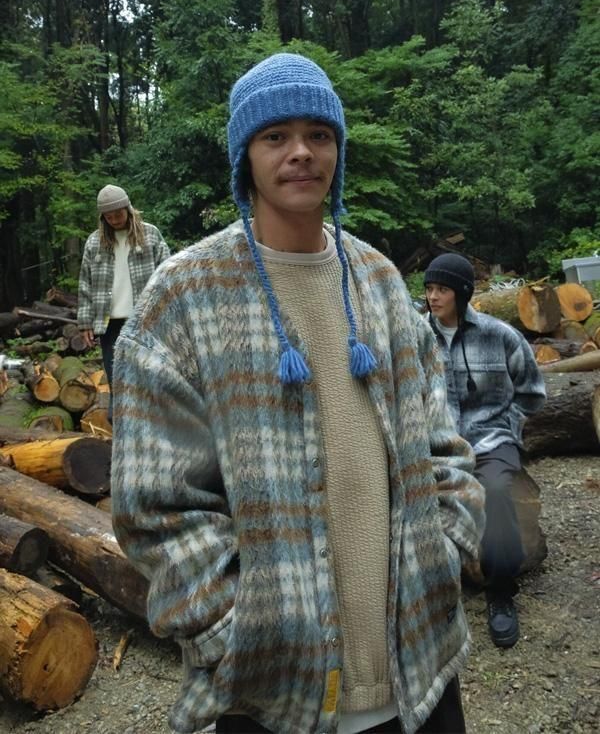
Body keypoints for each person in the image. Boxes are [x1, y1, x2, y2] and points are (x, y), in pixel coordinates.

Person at [111, 54, 485, 734]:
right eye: (275, 136)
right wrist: (234, 629)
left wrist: (447, 550)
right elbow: (153, 505)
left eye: (319, 133)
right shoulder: (184, 298)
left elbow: (443, 440)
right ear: (244, 157)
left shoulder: (378, 280)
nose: (302, 152)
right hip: (273, 693)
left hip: (420, 671)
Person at [423, 253, 546, 649]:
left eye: (442, 289)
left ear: (461, 293)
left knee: (494, 489)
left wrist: (507, 426)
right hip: (436, 444)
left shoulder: (500, 335)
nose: (433, 297)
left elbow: (532, 392)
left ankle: (501, 590)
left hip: (492, 439)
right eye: (429, 289)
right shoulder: (415, 337)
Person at [77, 184, 170, 417]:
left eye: (118, 214)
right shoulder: (94, 242)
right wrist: (85, 322)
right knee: (117, 378)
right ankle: (120, 425)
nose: (115, 220)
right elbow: (85, 283)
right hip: (109, 324)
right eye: (109, 217)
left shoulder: (150, 235)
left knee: (148, 376)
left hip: (145, 320)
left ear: (128, 209)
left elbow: (168, 274)